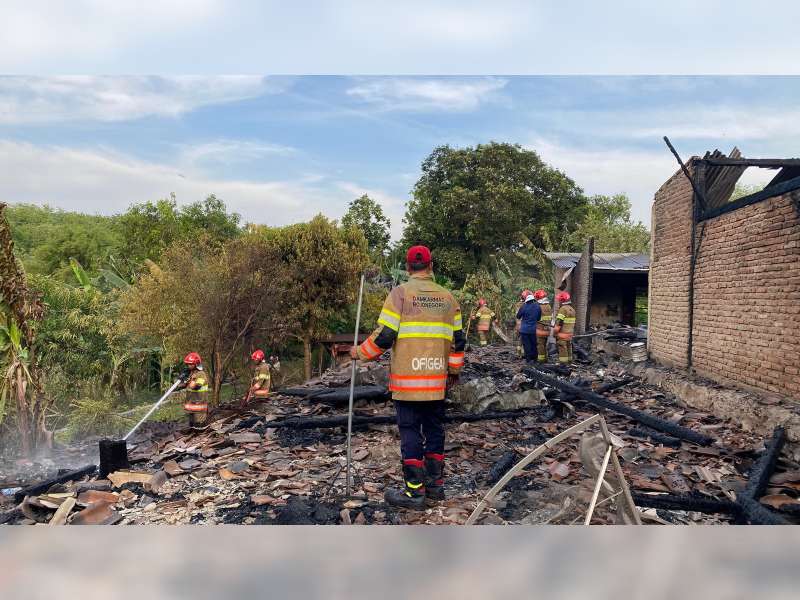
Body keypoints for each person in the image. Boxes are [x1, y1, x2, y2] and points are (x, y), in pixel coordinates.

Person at [350, 245, 465, 509]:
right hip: (437, 381)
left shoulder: (399, 295)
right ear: (430, 265)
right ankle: (435, 486)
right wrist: (454, 371)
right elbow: (458, 342)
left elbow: (384, 337)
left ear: (408, 266)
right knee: (435, 429)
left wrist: (358, 353)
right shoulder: (449, 299)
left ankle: (415, 492)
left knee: (410, 430)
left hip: (408, 382)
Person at [179, 352, 210, 428]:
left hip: (199, 406)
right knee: (191, 426)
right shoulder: (191, 373)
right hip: (191, 405)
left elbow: (195, 386)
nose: (188, 366)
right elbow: (182, 385)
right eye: (188, 364)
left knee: (199, 426)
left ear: (196, 364)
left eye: (190, 364)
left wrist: (188, 380)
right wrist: (181, 380)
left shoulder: (201, 374)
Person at [516, 291, 541, 363]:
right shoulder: (537, 306)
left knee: (527, 345)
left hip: (524, 330)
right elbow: (538, 318)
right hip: (533, 330)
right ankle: (535, 359)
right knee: (534, 344)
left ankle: (528, 360)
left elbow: (518, 316)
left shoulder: (524, 306)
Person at [554, 291, 576, 364]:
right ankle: (569, 362)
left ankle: (563, 364)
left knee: (562, 348)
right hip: (570, 334)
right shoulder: (572, 309)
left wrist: (555, 332)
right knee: (569, 347)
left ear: (562, 300)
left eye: (559, 300)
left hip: (562, 334)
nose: (558, 302)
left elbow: (559, 322)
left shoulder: (563, 309)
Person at [533, 289, 553, 363]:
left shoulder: (539, 307)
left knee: (540, 345)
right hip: (547, 329)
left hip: (540, 329)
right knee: (544, 344)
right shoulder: (548, 306)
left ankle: (541, 360)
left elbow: (535, 318)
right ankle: (545, 358)